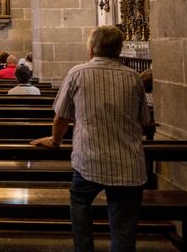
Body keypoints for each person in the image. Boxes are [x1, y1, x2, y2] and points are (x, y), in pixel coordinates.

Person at [32, 26, 150, 252]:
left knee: (79, 202)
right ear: (118, 49)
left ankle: (84, 248)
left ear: (91, 48)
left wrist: (55, 141)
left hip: (90, 160)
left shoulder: (78, 73)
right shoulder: (134, 77)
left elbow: (61, 117)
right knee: (124, 223)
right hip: (129, 163)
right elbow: (143, 120)